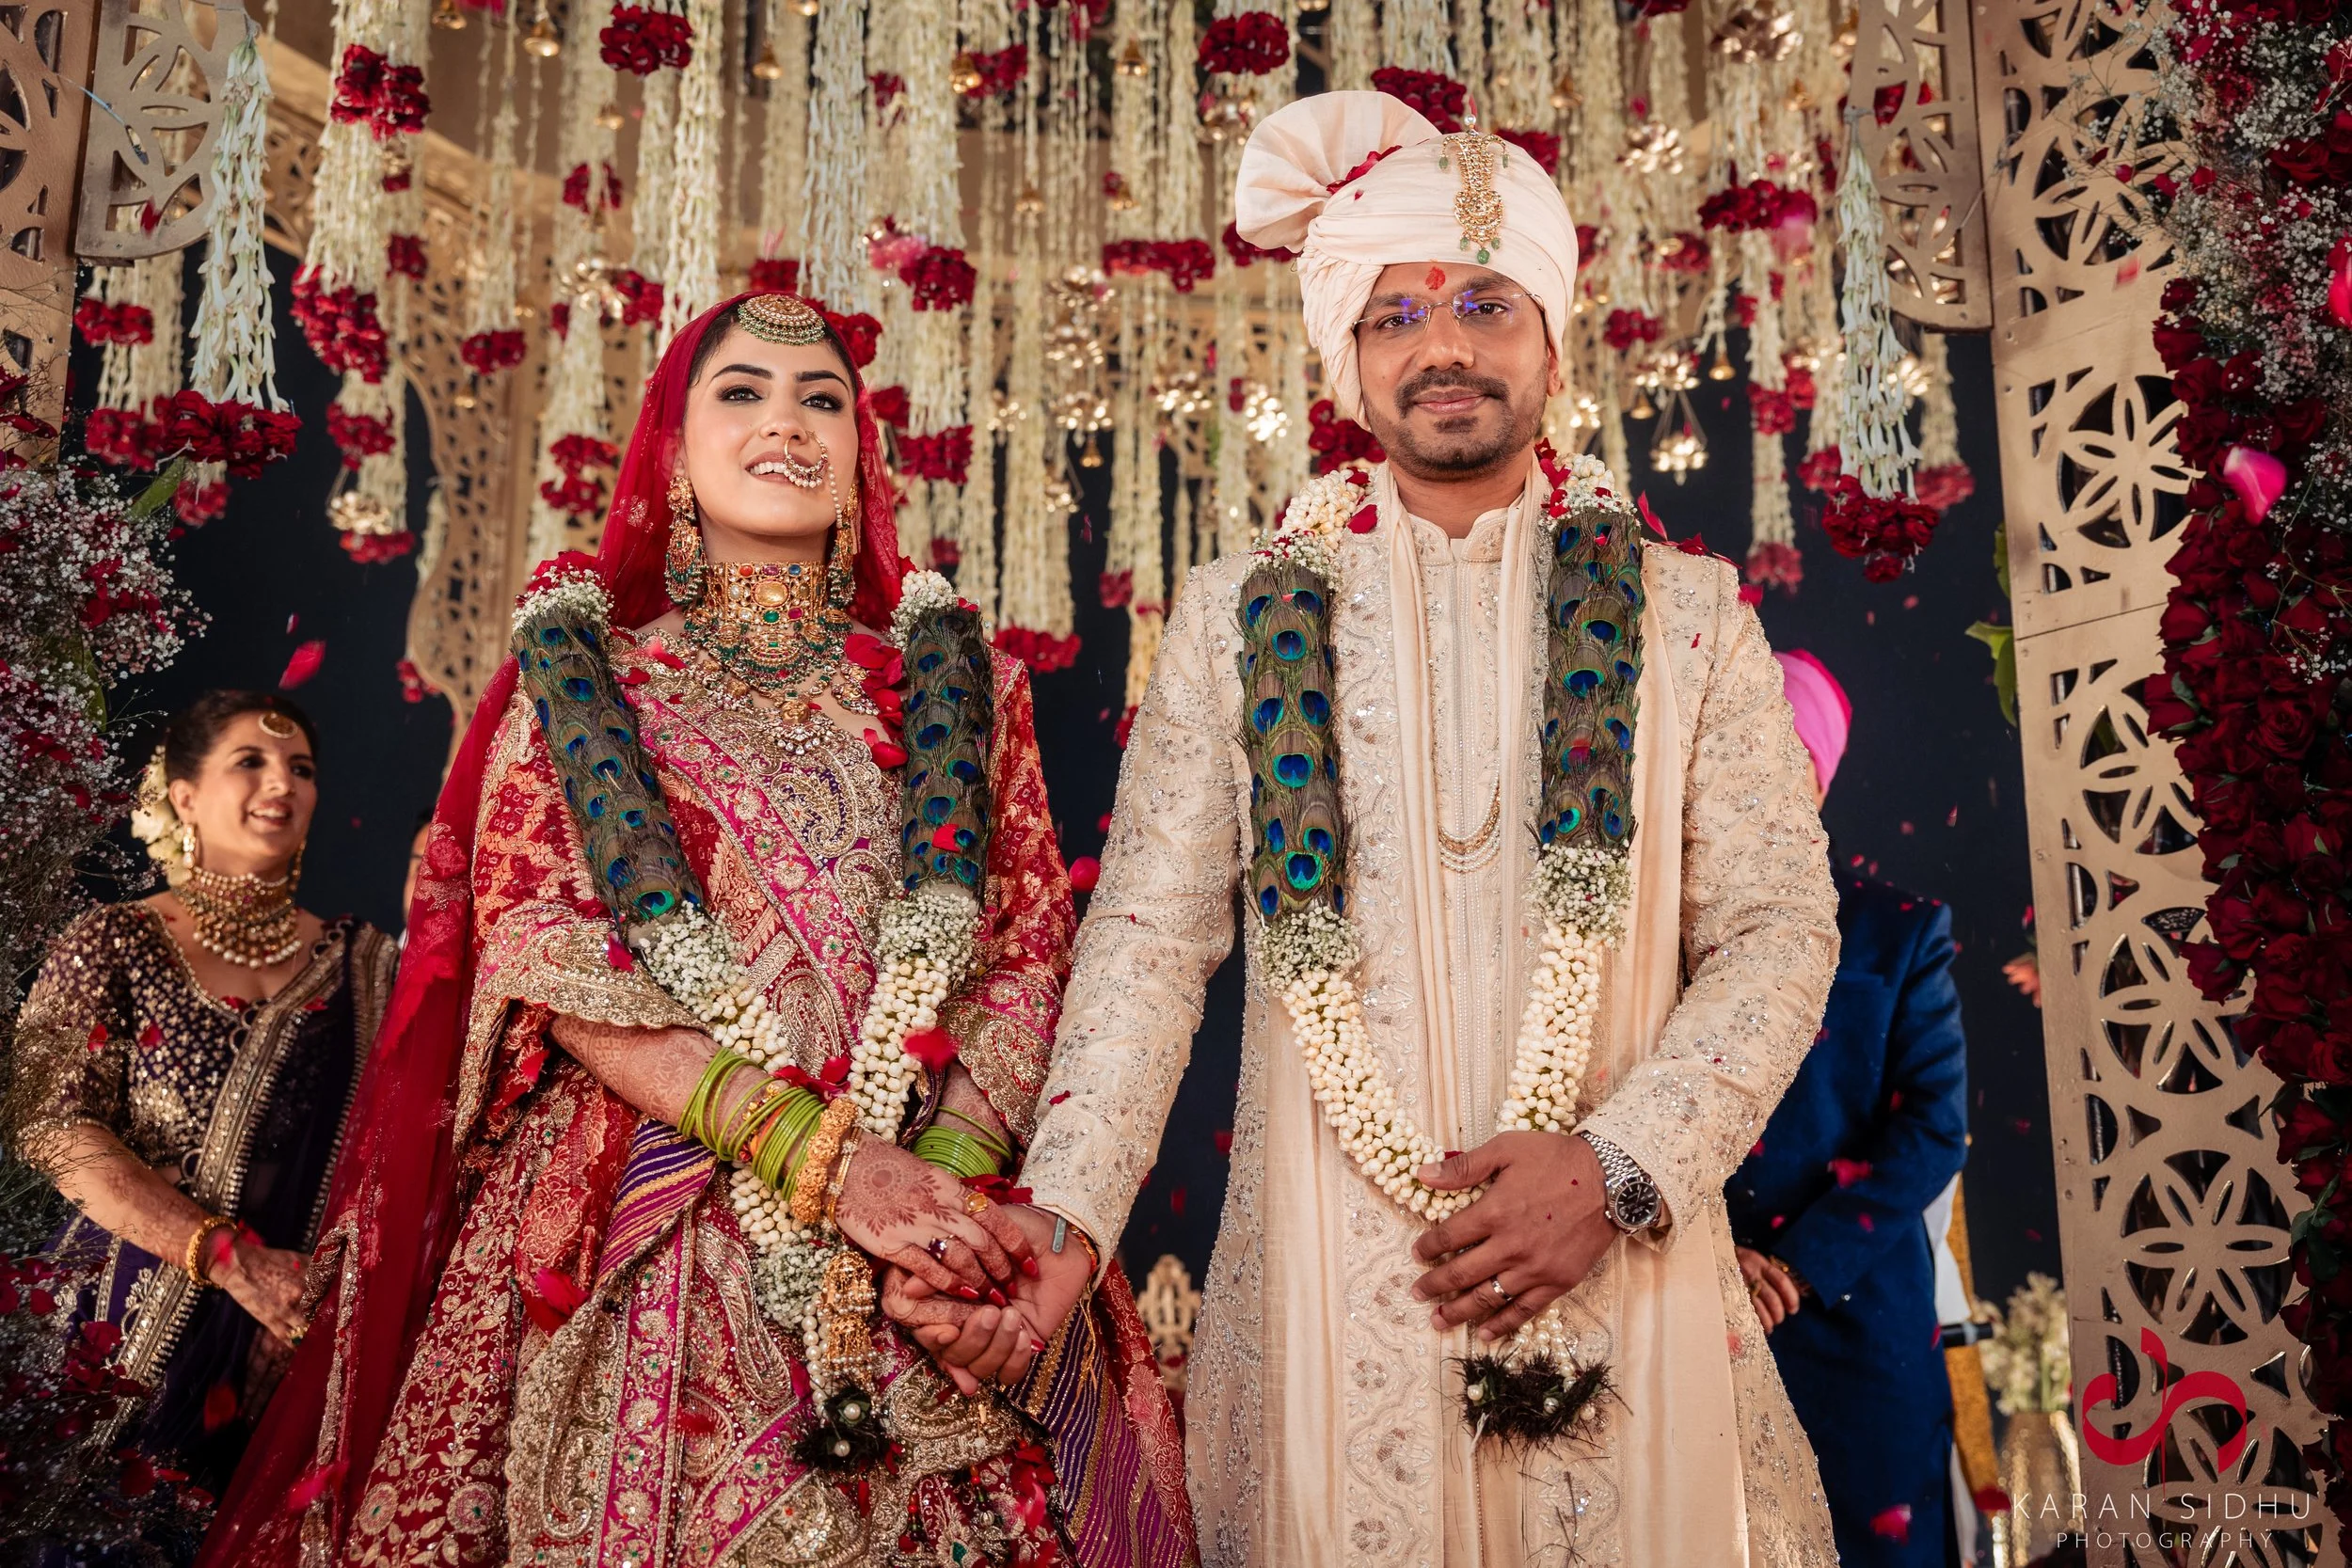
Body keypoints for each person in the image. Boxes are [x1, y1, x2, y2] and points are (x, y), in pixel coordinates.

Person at [897, 92, 1842, 1565]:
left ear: (1550, 334)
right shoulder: (1232, 626)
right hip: (1335, 1281)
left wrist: (1619, 1166)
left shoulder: (1689, 618)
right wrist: (1069, 1219)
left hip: (1627, 1264)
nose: (1441, 344)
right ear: (1347, 355)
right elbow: (1144, 944)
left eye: (1482, 301)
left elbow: (1781, 930)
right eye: (1395, 312)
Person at [199, 293, 1194, 1568]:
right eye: (742, 391)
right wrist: (826, 1162)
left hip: (942, 1237)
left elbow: (1026, 941)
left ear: (859, 457)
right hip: (665, 1213)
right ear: (672, 447)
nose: (786, 419)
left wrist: (943, 1197)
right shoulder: (588, 688)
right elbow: (543, 948)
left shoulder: (970, 689)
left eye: (820, 397)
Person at [12, 690, 398, 1510]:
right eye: (249, 762)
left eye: (300, 768)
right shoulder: (109, 940)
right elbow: (49, 1125)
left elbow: (393, 1149)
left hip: (277, 1352)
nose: (281, 783)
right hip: (111, 1335)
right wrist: (231, 1260)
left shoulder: (365, 963)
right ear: (184, 794)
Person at [1727, 650, 1969, 1567]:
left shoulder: (1894, 931)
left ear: (1816, 776)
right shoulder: (1649, 945)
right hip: (1698, 1326)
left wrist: (1789, 1265)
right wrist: (1716, 1263)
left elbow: (1931, 1129)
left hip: (1858, 1333)